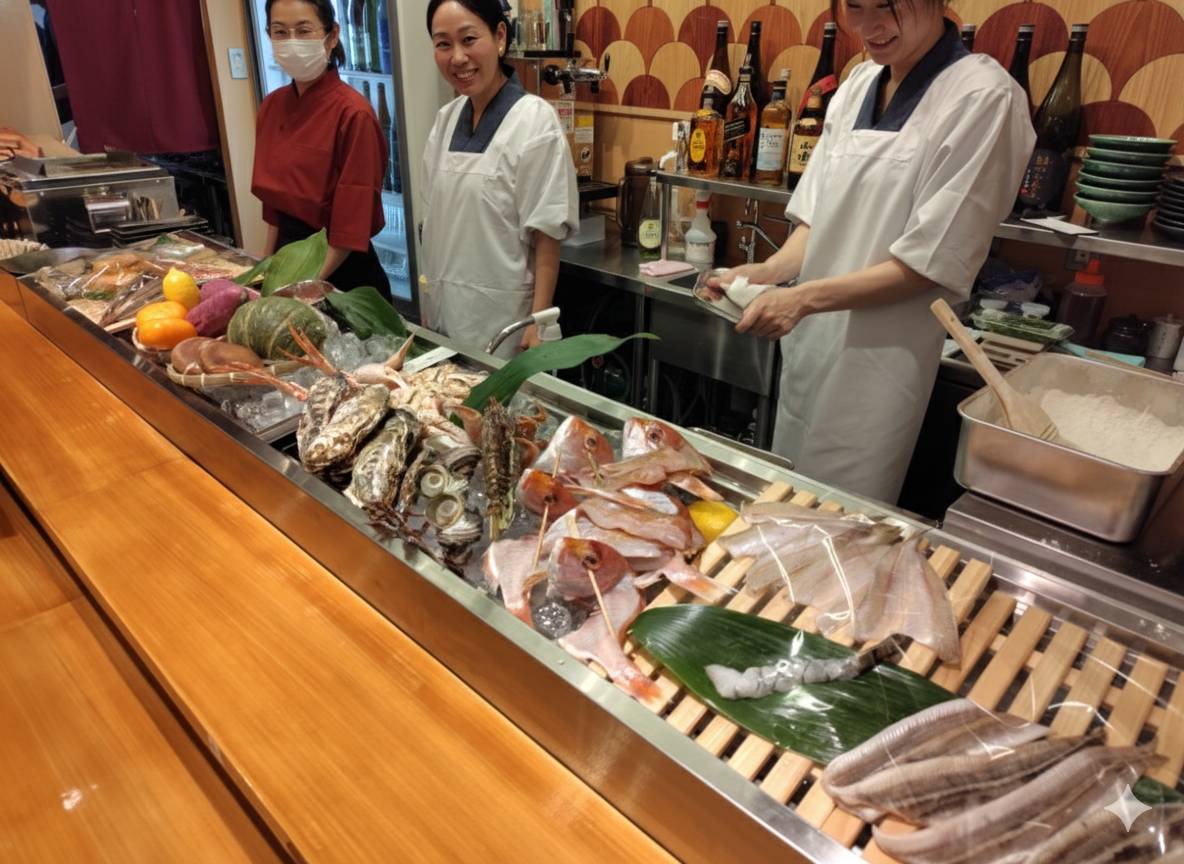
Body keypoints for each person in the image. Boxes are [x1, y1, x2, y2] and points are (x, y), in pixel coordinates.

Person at [710, 0, 1034, 504]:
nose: (870, 27)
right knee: (788, 499)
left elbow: (930, 262)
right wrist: (770, 271)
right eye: (856, 8)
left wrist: (801, 299)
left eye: (887, 6)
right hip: (813, 346)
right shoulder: (857, 84)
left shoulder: (983, 98)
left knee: (844, 514)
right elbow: (820, 216)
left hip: (880, 365)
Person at [420, 0, 578, 357]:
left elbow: (547, 234)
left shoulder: (535, 121)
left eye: (469, 39)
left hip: (508, 325)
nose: (457, 57)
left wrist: (538, 322)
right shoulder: (445, 120)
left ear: (500, 37)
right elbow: (433, 223)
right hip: (445, 318)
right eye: (443, 44)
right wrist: (430, 302)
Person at [251, 0, 391, 298]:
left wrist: (298, 290)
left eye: (303, 30)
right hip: (286, 263)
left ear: (332, 35)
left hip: (342, 273)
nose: (292, 42)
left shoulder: (354, 114)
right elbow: (274, 210)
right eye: (280, 32)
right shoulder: (271, 107)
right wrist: (264, 271)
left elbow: (350, 228)